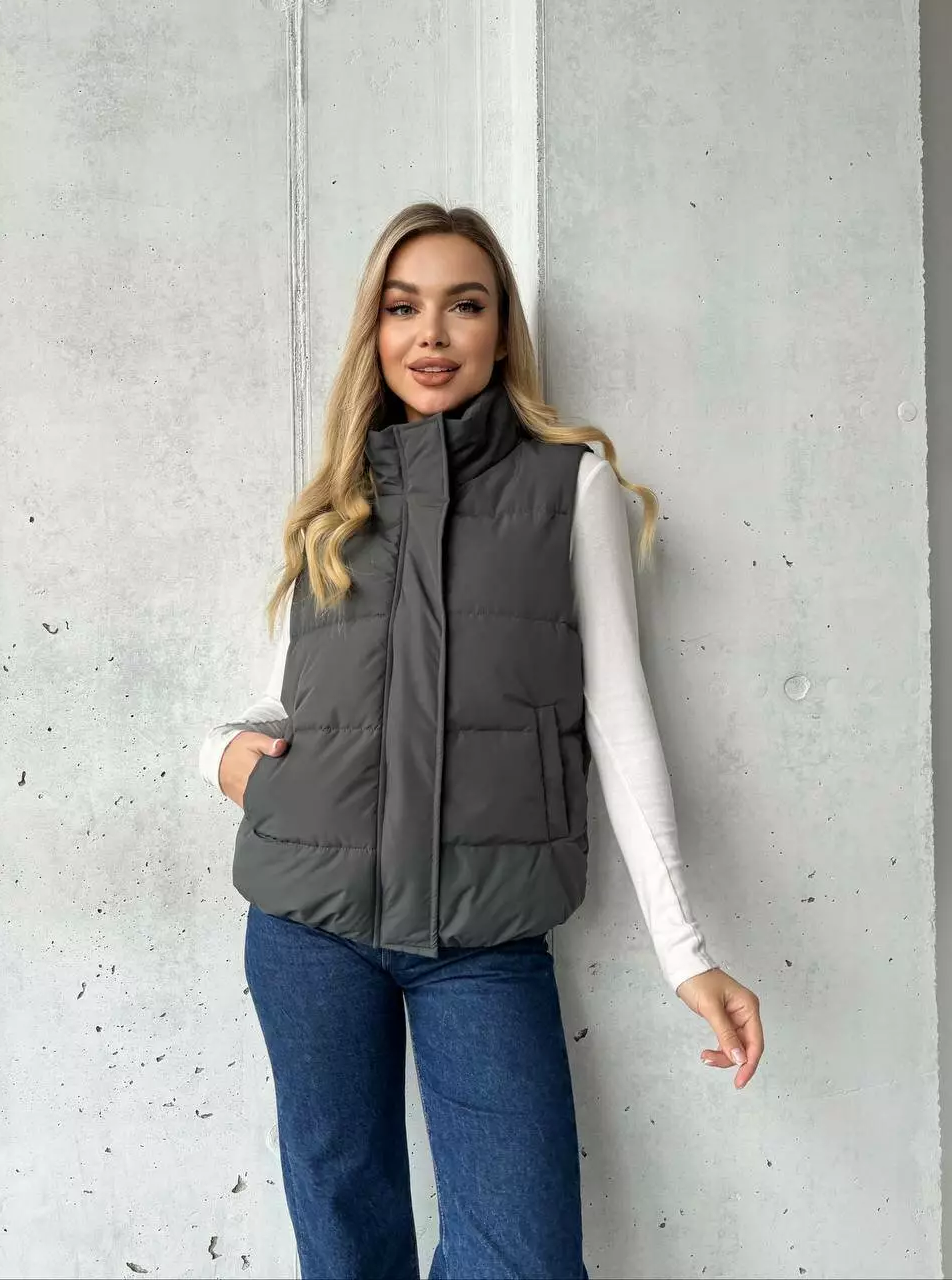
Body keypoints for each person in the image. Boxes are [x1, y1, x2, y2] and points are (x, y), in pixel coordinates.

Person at [199, 202, 764, 1280]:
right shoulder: (335, 502)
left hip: (483, 942)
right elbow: (280, 703)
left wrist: (685, 952)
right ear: (374, 332)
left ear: (501, 332)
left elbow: (618, 719)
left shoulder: (569, 485)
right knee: (344, 1242)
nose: (431, 333)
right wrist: (218, 755)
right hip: (307, 931)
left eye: (463, 305)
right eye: (401, 307)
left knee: (524, 1256)